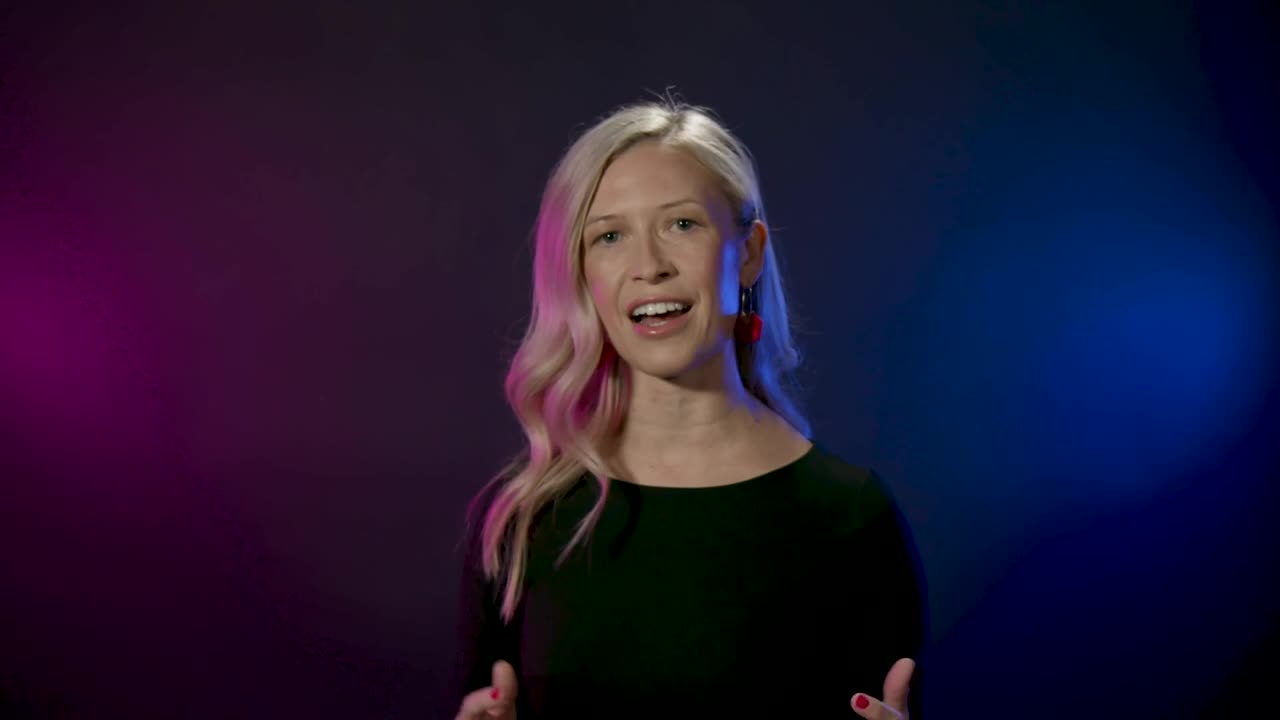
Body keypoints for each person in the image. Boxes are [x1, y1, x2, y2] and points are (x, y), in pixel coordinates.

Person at [448, 99, 929, 719]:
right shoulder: (521, 522)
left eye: (682, 224)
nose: (649, 266)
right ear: (581, 274)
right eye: (610, 236)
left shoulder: (853, 517)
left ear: (748, 252)